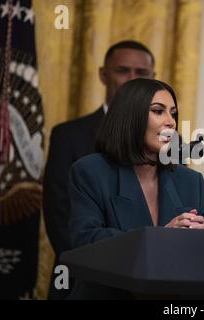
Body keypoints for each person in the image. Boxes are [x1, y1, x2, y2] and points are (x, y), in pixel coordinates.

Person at [67, 78, 204, 299]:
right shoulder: (91, 171)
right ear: (131, 116)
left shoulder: (190, 181)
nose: (170, 121)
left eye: (173, 113)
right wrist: (159, 239)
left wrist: (202, 239)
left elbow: (199, 259)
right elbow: (85, 240)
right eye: (158, 111)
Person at [43, 40, 155, 299]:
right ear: (103, 75)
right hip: (82, 281)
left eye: (141, 73)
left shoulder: (169, 144)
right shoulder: (68, 135)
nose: (131, 79)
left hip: (147, 284)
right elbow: (59, 216)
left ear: (153, 78)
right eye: (122, 70)